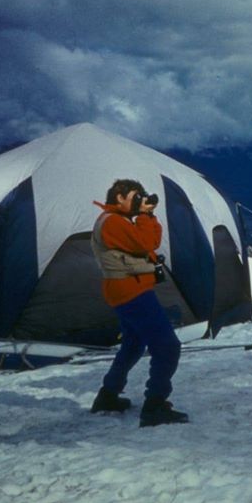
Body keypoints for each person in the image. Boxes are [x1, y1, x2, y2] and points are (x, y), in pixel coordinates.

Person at [89, 179, 188, 427]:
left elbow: (151, 242)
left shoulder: (120, 220)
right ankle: (154, 406)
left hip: (129, 289)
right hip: (131, 291)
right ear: (119, 197)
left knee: (133, 343)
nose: (138, 201)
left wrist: (148, 214)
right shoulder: (111, 222)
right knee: (167, 347)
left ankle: (108, 396)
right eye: (135, 197)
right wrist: (144, 215)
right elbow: (144, 244)